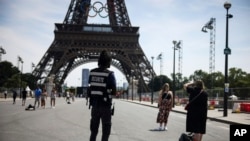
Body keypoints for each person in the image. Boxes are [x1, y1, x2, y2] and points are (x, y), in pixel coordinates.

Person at [88, 50, 116, 141]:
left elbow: (91, 87)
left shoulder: (92, 73)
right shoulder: (110, 74)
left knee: (93, 132)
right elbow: (114, 92)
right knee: (105, 133)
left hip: (94, 106)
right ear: (108, 62)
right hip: (105, 107)